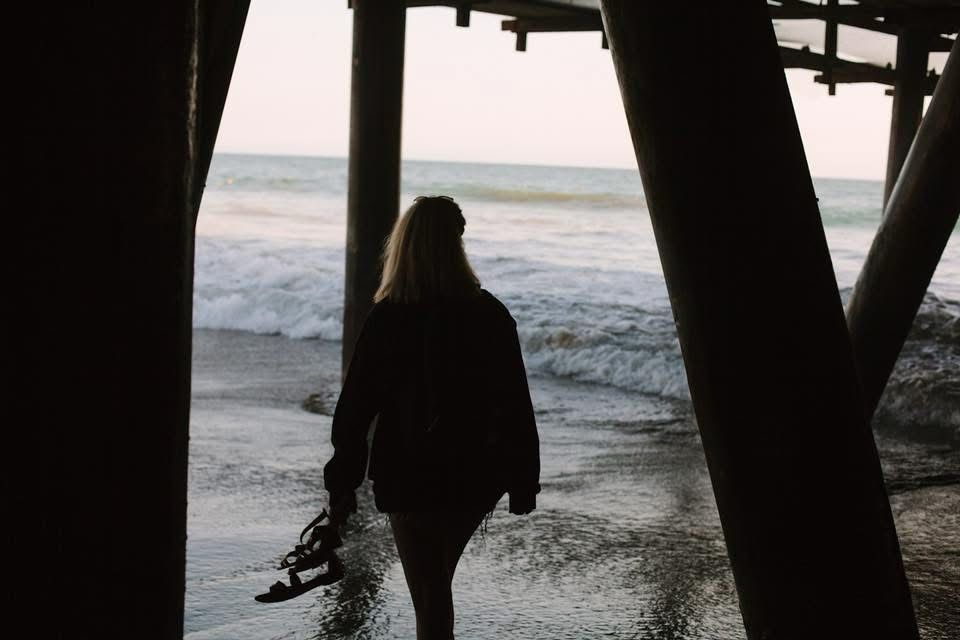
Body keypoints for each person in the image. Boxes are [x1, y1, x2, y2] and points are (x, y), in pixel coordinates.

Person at [323, 195, 541, 639]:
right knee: (436, 585)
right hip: (476, 473)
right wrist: (523, 480)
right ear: (456, 245)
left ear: (403, 246)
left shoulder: (389, 317)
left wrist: (343, 482)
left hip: (411, 472)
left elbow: (357, 405)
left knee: (430, 592)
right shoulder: (491, 314)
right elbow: (516, 401)